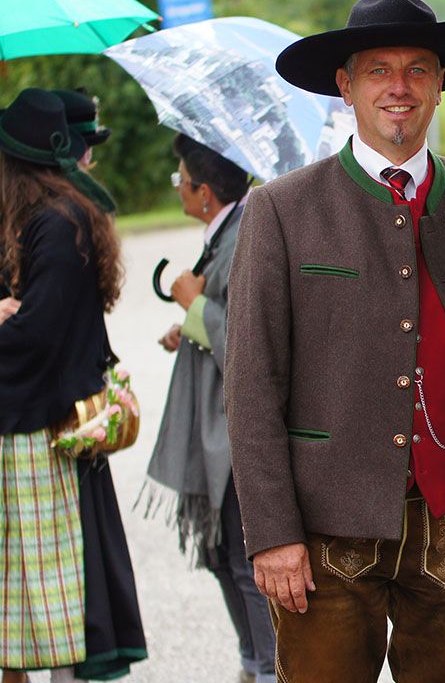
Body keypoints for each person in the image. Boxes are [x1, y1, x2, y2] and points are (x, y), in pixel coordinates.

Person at [224, 0, 445, 682]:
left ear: (441, 84)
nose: (399, 87)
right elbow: (251, 385)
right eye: (379, 70)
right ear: (346, 84)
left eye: (419, 68)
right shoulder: (281, 210)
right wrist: (272, 534)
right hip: (329, 523)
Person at [0, 89, 146, 683]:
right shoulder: (35, 221)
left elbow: (38, 333)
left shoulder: (57, 226)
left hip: (42, 425)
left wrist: (9, 315)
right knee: (26, 582)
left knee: (53, 586)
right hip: (34, 417)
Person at [144, 135, 274, 683]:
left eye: (180, 179)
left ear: (201, 192)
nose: (179, 186)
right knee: (223, 555)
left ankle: (269, 668)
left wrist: (192, 303)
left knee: (245, 561)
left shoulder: (245, 236)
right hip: (215, 422)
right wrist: (188, 324)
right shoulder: (224, 232)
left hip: (235, 430)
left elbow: (245, 342)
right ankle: (253, 662)